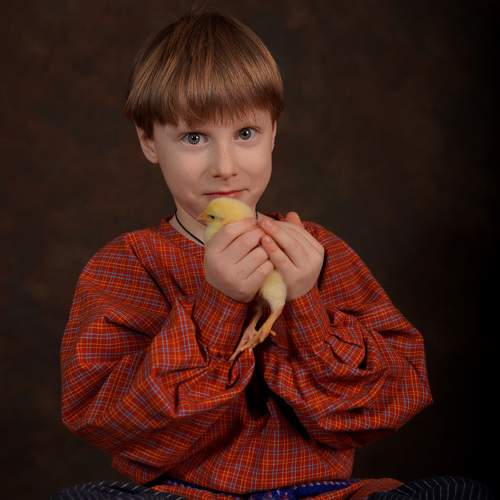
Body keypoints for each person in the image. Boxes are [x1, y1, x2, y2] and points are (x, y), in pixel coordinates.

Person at [53, 7, 495, 500]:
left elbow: (394, 399)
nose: (224, 166)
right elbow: (111, 419)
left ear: (274, 133)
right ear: (149, 142)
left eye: (246, 134)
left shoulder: (317, 251)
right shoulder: (126, 264)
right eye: (194, 138)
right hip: (185, 495)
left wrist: (305, 303)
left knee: (461, 493)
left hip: (324, 494)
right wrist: (218, 305)